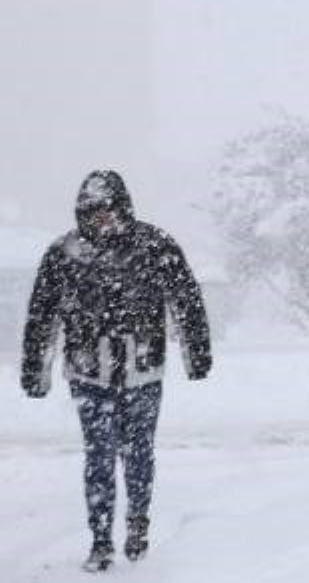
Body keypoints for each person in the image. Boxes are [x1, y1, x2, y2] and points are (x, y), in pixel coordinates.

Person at [20, 170, 213, 572]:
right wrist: (36, 370)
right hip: (89, 374)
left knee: (139, 453)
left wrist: (197, 354)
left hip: (142, 369)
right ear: (81, 214)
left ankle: (137, 522)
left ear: (122, 208)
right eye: (92, 213)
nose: (101, 220)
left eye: (107, 211)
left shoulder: (154, 245)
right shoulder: (64, 253)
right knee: (99, 456)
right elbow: (42, 316)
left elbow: (187, 301)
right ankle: (102, 539)